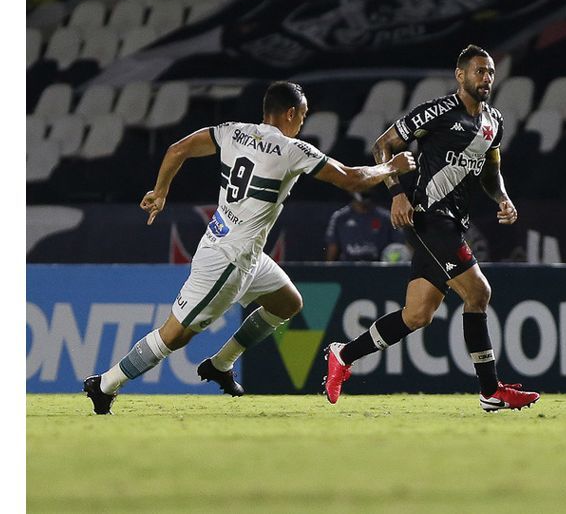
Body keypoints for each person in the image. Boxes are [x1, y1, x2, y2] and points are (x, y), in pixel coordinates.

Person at [82, 81, 416, 415]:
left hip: (241, 249)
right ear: (290, 113)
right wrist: (391, 167)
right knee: (175, 335)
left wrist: (160, 192)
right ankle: (105, 384)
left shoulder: (232, 131)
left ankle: (221, 364)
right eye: (303, 115)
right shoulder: (291, 149)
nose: (302, 123)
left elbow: (177, 149)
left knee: (287, 303)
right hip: (228, 260)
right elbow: (351, 178)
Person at [322, 45, 540, 412]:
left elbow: (491, 171)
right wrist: (396, 194)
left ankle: (344, 355)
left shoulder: (494, 122)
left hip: (453, 222)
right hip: (428, 217)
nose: (486, 78)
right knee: (478, 293)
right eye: (479, 71)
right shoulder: (437, 112)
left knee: (417, 314)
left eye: (490, 72)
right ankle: (491, 390)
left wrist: (502, 197)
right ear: (460, 75)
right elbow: (383, 145)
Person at [324, 193, 402, 262]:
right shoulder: (339, 217)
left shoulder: (385, 217)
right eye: (360, 187)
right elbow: (332, 250)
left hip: (379, 268)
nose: (364, 192)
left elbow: (400, 245)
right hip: (348, 268)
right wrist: (329, 270)